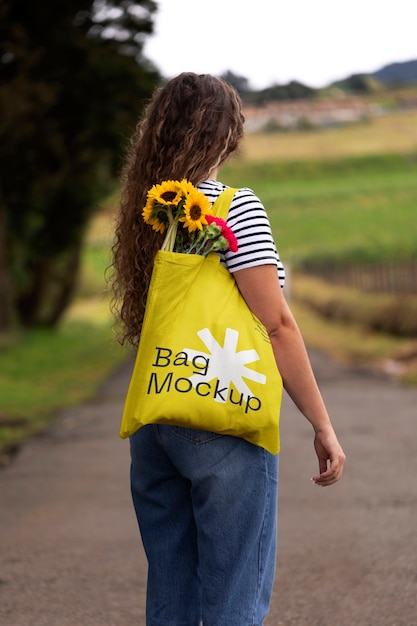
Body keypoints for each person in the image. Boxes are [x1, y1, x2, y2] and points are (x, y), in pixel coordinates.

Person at [110, 72, 346, 626]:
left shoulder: (151, 211)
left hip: (156, 415)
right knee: (234, 599)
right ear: (228, 134)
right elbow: (277, 325)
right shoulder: (233, 208)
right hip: (224, 411)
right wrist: (322, 423)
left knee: (171, 596)